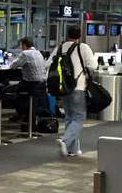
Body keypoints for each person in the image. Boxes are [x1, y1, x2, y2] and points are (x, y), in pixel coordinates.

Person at [47, 25, 97, 157]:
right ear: (79, 36)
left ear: (67, 34)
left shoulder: (60, 47)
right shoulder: (83, 47)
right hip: (78, 86)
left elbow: (48, 64)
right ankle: (64, 140)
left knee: (70, 117)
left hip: (64, 87)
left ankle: (72, 149)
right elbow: (93, 65)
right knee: (79, 117)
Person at [8, 36, 47, 122]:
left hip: (32, 84)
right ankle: (27, 113)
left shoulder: (25, 54)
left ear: (24, 46)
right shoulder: (38, 53)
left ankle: (22, 113)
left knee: (13, 91)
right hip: (42, 84)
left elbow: (13, 66)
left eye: (21, 46)